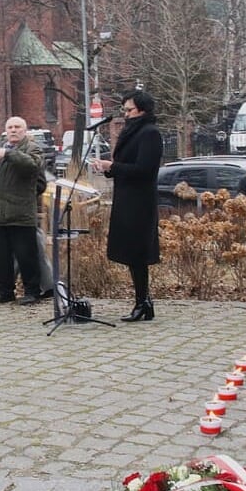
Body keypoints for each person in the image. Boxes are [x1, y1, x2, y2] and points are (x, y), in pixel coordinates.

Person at [91, 90, 162, 322]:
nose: (126, 113)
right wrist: (107, 168)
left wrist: (113, 166)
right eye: (125, 109)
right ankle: (143, 302)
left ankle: (143, 302)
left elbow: (145, 169)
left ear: (142, 109)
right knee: (131, 253)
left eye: (129, 109)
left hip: (140, 202)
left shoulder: (149, 133)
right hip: (126, 198)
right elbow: (124, 165)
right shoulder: (132, 131)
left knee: (138, 252)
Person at [0, 116, 45, 305]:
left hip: (21, 212)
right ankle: (5, 291)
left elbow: (32, 166)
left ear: (25, 130)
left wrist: (8, 154)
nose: (13, 130)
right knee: (3, 257)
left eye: (17, 127)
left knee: (27, 256)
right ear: (5, 131)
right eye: (10, 127)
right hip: (1, 212)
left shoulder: (32, 148)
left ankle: (32, 292)